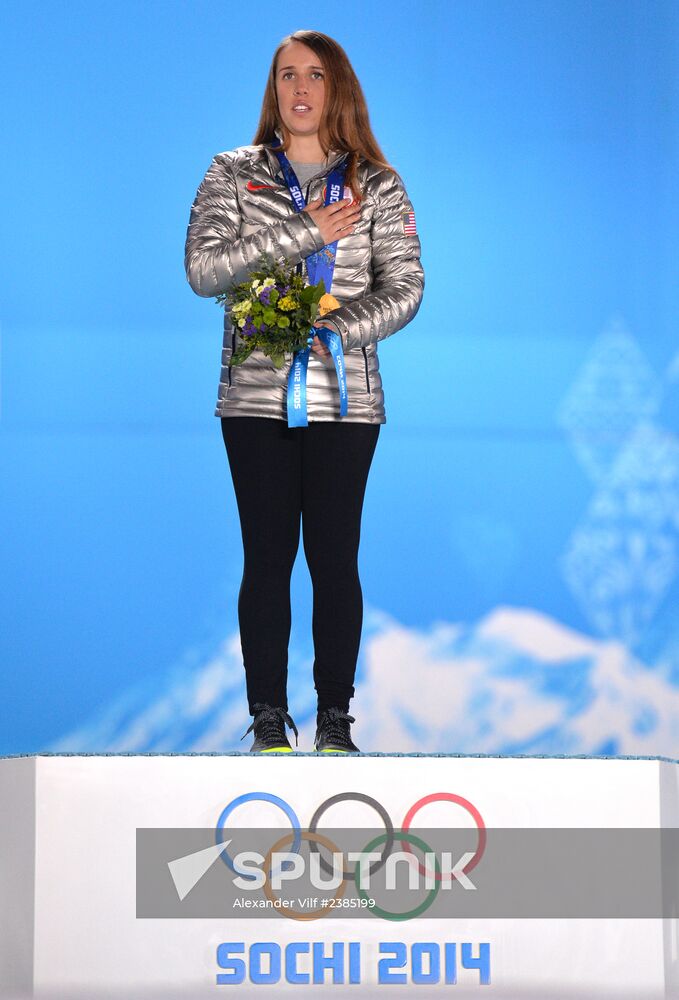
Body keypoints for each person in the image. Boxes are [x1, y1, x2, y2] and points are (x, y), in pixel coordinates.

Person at [184, 29, 424, 753]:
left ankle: (334, 721)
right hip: (254, 398)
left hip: (346, 398)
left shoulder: (377, 183)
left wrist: (334, 332)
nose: (299, 88)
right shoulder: (234, 173)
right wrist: (302, 231)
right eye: (286, 74)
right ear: (273, 88)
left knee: (333, 556)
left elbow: (406, 287)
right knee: (265, 557)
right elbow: (203, 271)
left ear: (336, 88)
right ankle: (266, 718)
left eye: (314, 75)